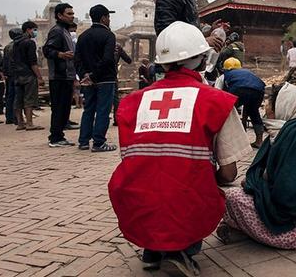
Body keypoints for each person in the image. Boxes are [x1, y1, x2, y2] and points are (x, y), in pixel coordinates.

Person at [108, 21, 250, 275]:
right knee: (196, 185)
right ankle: (181, 251)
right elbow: (229, 173)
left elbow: (138, 162)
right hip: (186, 201)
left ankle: (152, 249)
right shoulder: (216, 101)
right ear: (201, 59)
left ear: (161, 63)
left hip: (134, 202)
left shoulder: (131, 103)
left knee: (154, 179)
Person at [218, 82, 296, 249]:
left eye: (270, 104)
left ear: (284, 106)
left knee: (232, 197)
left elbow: (285, 199)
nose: (266, 109)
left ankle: (249, 232)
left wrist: (255, 186)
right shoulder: (289, 132)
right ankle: (245, 231)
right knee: (246, 191)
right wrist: (256, 184)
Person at [74, 5, 118, 152]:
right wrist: (94, 75)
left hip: (87, 79)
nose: (109, 20)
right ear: (103, 18)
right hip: (105, 78)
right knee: (103, 110)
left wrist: (85, 75)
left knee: (89, 109)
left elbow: (77, 60)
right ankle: (99, 142)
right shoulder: (108, 36)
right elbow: (107, 59)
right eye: (108, 17)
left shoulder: (83, 36)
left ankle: (84, 141)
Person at [42, 2, 78, 147]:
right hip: (59, 75)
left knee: (64, 108)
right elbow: (47, 50)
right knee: (58, 107)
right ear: (59, 15)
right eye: (69, 14)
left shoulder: (66, 31)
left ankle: (59, 135)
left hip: (67, 75)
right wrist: (60, 54)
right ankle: (55, 137)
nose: (72, 16)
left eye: (72, 14)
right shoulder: (57, 31)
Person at [217, 57, 266, 148]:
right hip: (259, 90)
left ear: (224, 69)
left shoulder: (224, 76)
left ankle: (233, 141)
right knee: (254, 112)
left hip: (238, 89)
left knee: (230, 113)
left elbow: (217, 92)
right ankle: (259, 141)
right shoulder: (247, 72)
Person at [13, 22, 45, 131]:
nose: (35, 32)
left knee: (18, 99)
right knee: (29, 99)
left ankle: (20, 123)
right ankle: (30, 123)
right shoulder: (30, 43)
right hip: (28, 75)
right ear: (28, 30)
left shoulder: (15, 43)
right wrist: (39, 77)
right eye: (34, 30)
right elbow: (33, 62)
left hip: (17, 75)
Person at [112, 43, 132, 126]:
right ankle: (116, 120)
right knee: (115, 99)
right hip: (112, 74)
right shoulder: (117, 46)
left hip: (95, 74)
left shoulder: (98, 43)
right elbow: (128, 60)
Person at [2, 29, 18, 124]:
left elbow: (5, 61)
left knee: (9, 96)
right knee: (17, 96)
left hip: (9, 74)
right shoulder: (17, 45)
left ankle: (9, 117)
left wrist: (5, 73)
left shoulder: (7, 46)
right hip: (16, 74)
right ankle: (16, 117)